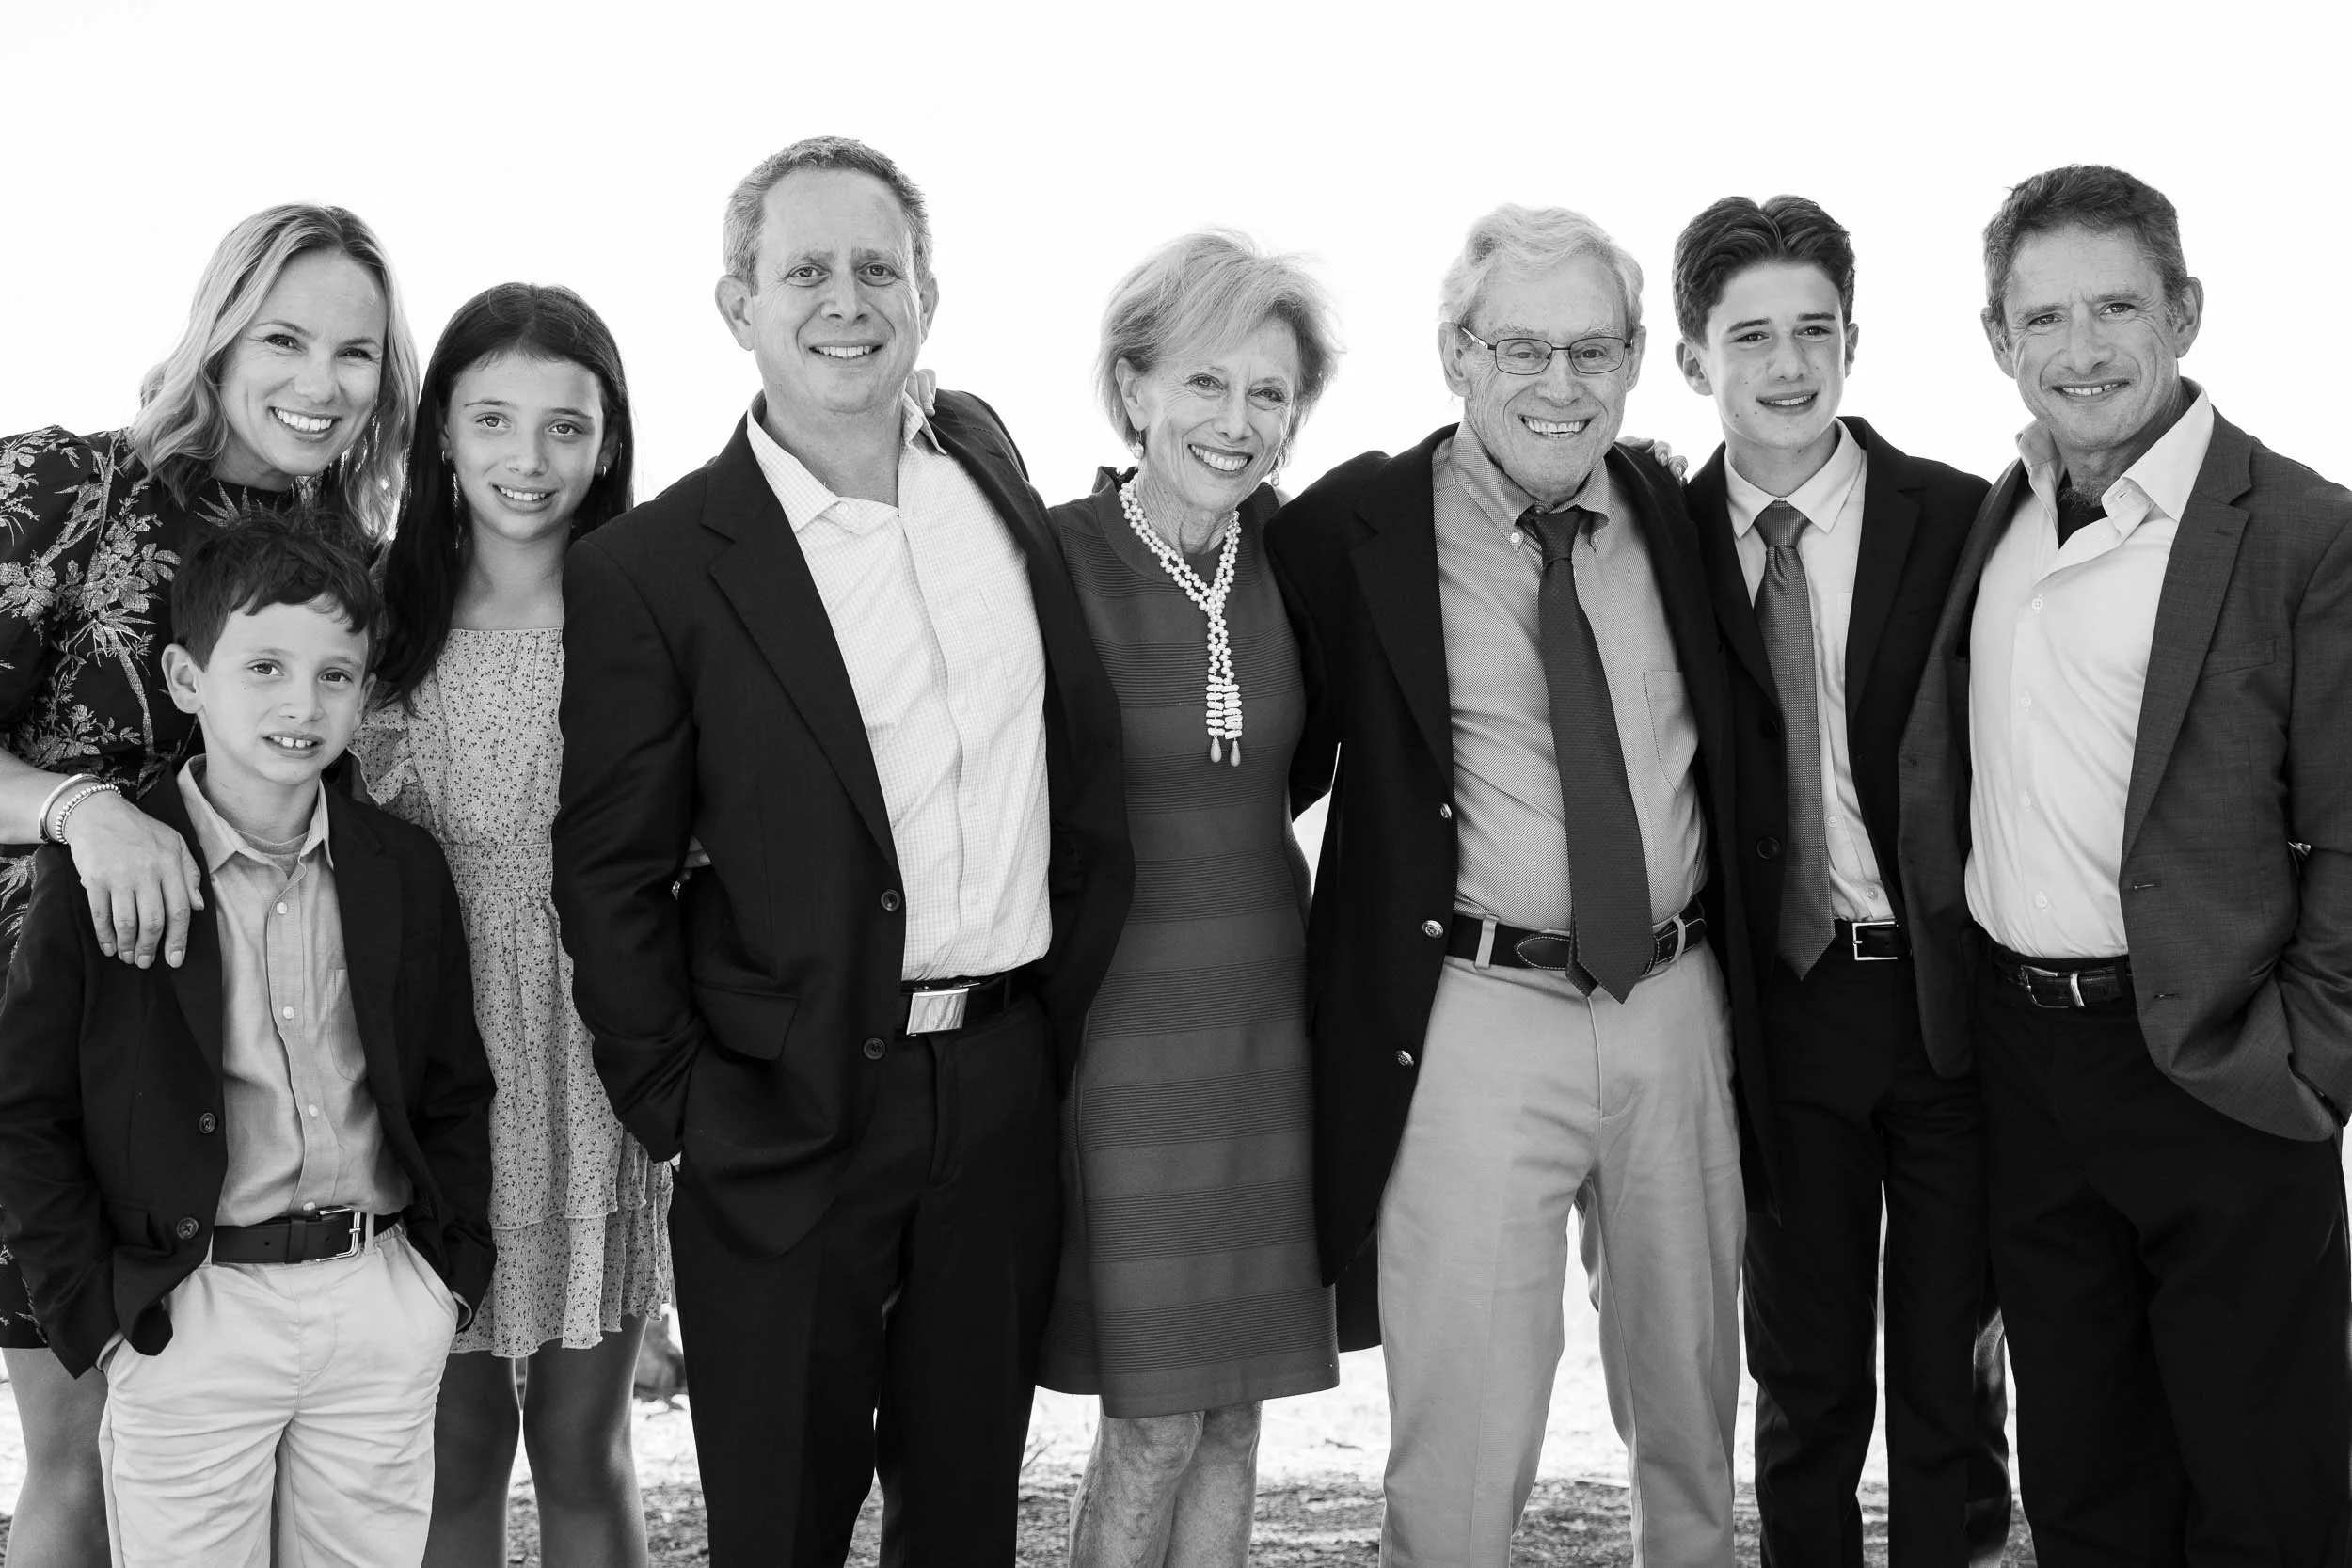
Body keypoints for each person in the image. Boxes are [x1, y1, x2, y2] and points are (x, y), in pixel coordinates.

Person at [549, 135, 1132, 1566]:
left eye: (879, 267)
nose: (846, 299)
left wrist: (1045, 1035)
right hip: (785, 1109)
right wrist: (687, 1109)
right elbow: (610, 874)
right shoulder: (653, 568)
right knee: (780, 1526)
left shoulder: (984, 459)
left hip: (999, 1078)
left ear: (929, 293)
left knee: (965, 1519)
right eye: (804, 269)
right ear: (737, 305)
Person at [1265, 204, 1770, 1566]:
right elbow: (1241, 724)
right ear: (1456, 354)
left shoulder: (1677, 515)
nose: (1561, 383)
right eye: (1522, 349)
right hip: (1473, 1014)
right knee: (1466, 1426)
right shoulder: (1354, 529)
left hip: (1675, 1004)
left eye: (1593, 350)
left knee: (1691, 1408)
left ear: (1636, 360)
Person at [1898, 163, 2352, 1564]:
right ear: (1997, 338)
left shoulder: (2302, 531)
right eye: (2043, 316)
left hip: (2222, 1070)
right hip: (2028, 1069)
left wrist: (2310, 1060)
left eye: (2115, 307)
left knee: (2264, 1495)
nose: (2080, 348)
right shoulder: (1999, 515)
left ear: (2184, 313)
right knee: (2085, 1485)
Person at [0, 201, 416, 1566]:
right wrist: (80, 813)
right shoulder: (68, 488)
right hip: (63, 1050)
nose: (320, 381)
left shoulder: (355, 562)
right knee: (83, 1464)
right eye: (284, 339)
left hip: (257, 1089)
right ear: (219, 337)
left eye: (355, 352)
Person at [0, 508, 495, 1565]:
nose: (301, 703)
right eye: (264, 666)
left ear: (365, 691)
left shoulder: (403, 867)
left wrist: (441, 1282)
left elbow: (452, 1084)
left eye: (335, 675)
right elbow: (28, 1111)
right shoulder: (103, 870)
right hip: (191, 1310)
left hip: (376, 1294)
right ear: (187, 679)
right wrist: (99, 1314)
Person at [1671, 194, 2013, 1567]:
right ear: (1693, 358)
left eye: (1814, 330)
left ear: (1854, 341)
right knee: (1804, 1374)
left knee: (1949, 1369)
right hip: (1779, 1007)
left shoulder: (1961, 515)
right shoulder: (1660, 535)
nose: (1788, 363)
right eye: (1750, 335)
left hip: (1941, 1002)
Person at [1034, 230, 1341, 1567]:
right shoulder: (1054, 557)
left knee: (1233, 1417)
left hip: (1270, 1028)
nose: (1237, 420)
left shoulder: (1296, 560)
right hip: (1125, 1041)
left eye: (1269, 393)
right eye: (1206, 382)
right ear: (1134, 387)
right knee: (1155, 1420)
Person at [359, 282, 671, 1567]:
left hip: (597, 1065)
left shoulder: (650, 612)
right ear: (440, 428)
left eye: (564, 424)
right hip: (434, 1070)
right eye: (492, 418)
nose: (526, 458)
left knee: (587, 1450)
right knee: (455, 1449)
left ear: (609, 440)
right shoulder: (377, 619)